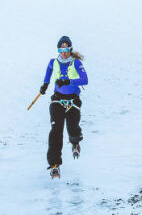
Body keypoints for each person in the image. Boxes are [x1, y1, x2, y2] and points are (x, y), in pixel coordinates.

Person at [39, 35, 88, 179]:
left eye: (66, 48)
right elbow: (48, 73)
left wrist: (69, 81)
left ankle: (75, 143)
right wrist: (45, 85)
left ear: (70, 49)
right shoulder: (53, 62)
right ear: (58, 49)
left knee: (72, 127)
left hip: (73, 101)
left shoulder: (76, 63)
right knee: (56, 130)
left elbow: (85, 80)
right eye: (61, 48)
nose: (64, 51)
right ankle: (55, 165)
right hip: (58, 101)